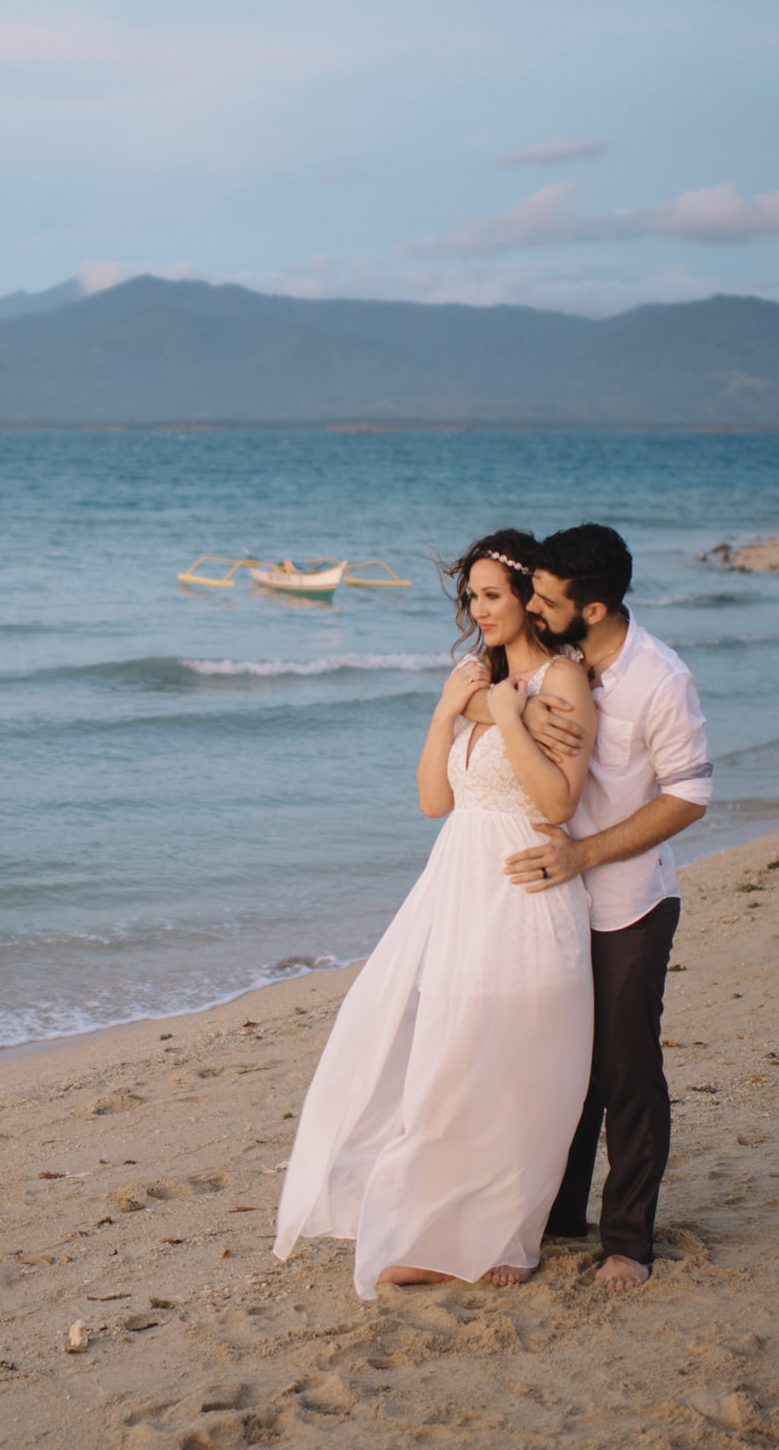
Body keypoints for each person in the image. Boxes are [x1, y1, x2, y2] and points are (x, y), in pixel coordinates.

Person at [272, 530, 599, 1299]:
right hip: (455, 892)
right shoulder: (472, 678)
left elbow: (557, 801)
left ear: (529, 599)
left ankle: (510, 1238)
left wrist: (510, 716)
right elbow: (432, 800)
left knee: (514, 1064)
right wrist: (446, 712)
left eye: (493, 595)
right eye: (472, 597)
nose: (479, 610)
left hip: (524, 888)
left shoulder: (563, 680)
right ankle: (441, 1227)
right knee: (448, 1064)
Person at [499, 523, 711, 1294]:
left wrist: (586, 854)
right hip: (548, 904)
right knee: (556, 1064)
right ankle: (554, 1219)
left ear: (591, 608)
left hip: (627, 903)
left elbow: (692, 793)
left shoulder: (660, 678)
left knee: (626, 1071)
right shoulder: (555, 666)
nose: (531, 604)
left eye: (547, 598)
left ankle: (627, 1242)